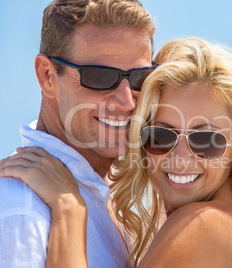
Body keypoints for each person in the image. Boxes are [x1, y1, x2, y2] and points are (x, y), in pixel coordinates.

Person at [0, 38, 232, 267]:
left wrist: (69, 209)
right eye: (160, 136)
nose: (180, 157)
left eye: (205, 139)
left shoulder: (203, 224)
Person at [0, 0, 156, 267]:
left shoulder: (119, 198)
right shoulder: (20, 209)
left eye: (140, 77)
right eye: (99, 77)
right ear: (47, 76)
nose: (127, 101)